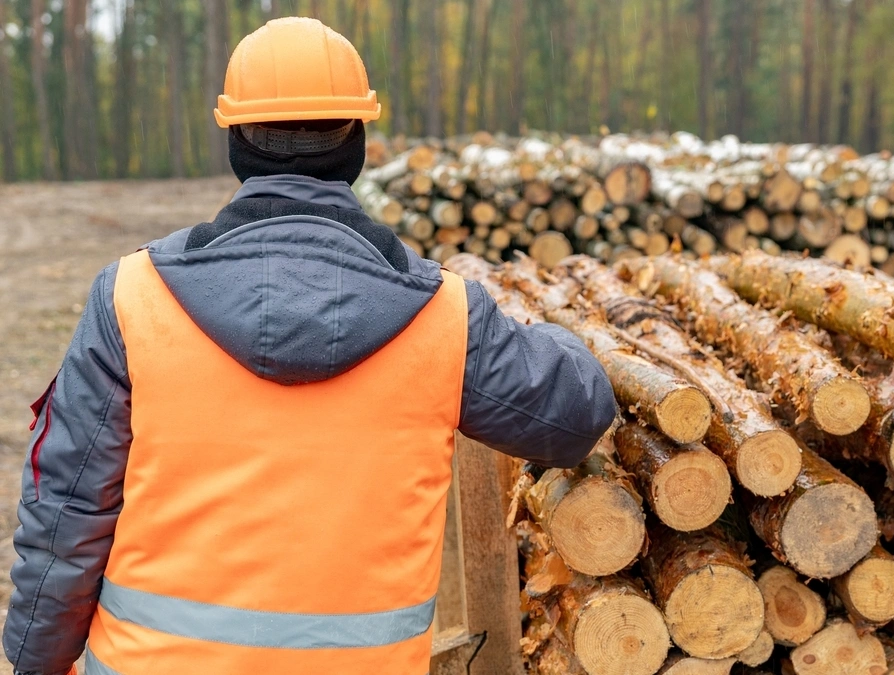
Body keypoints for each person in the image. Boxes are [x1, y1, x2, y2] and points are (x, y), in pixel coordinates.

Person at [3, 17, 616, 675]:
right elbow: (577, 414)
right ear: (356, 142)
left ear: (236, 140)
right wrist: (549, 331)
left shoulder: (132, 296)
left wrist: (35, 661)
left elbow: (66, 508)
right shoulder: (445, 316)